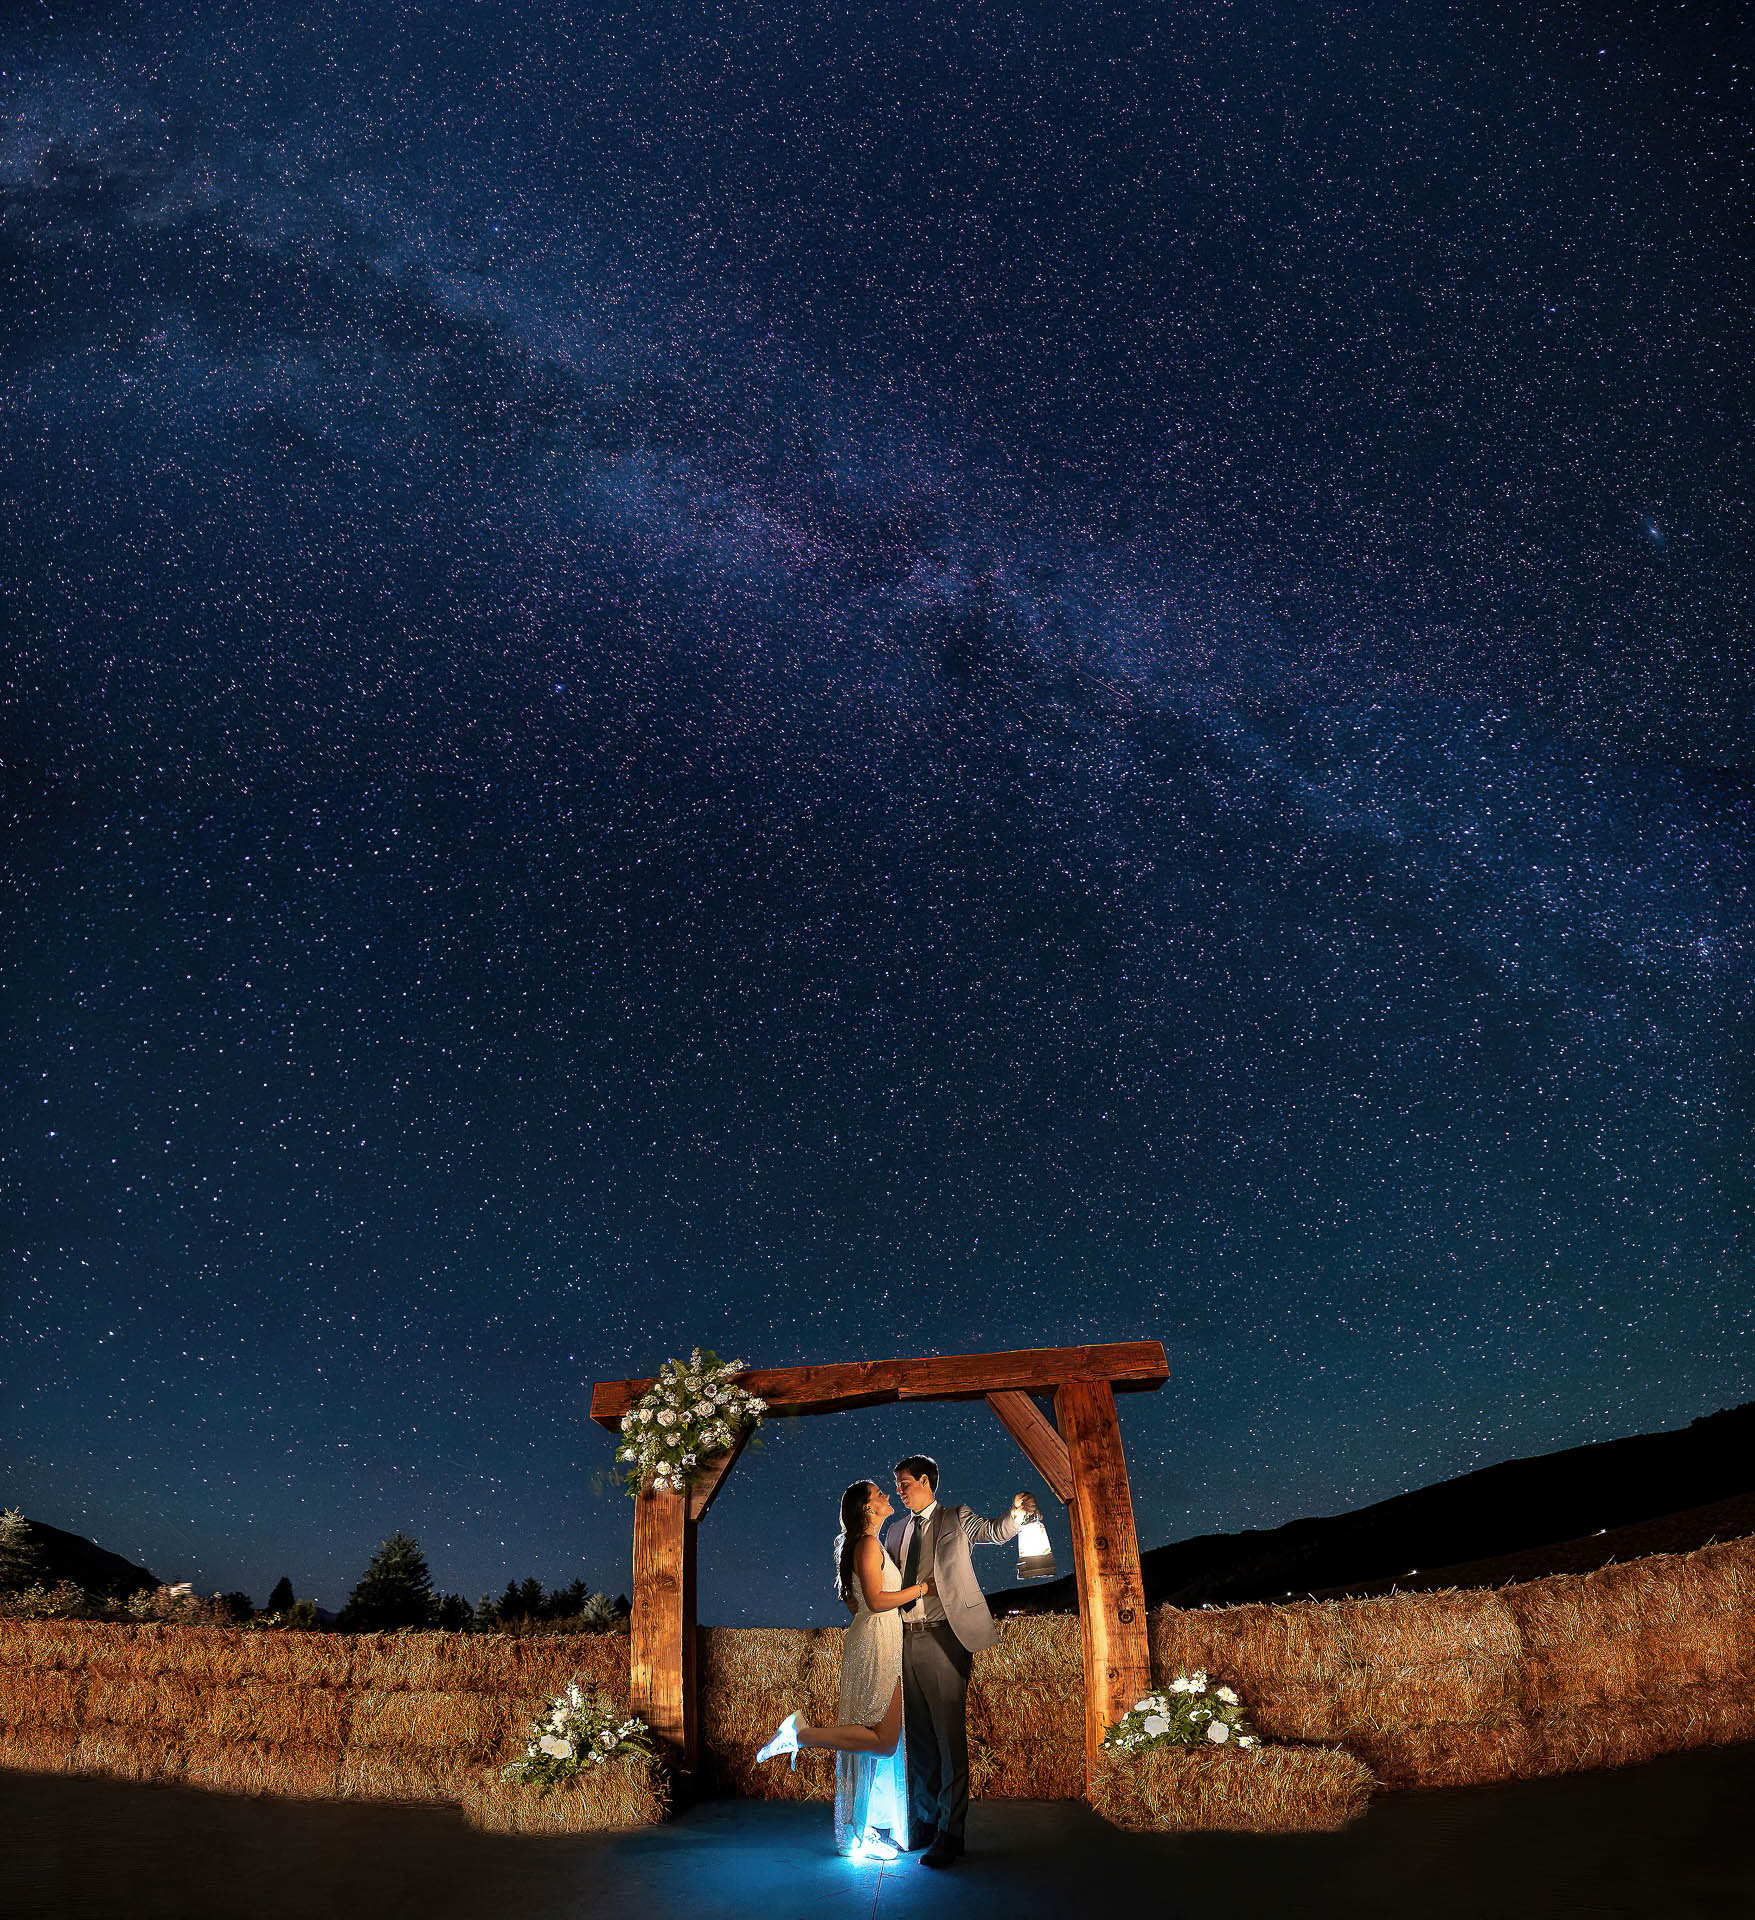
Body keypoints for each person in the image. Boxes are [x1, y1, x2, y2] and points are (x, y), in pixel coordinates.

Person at [755, 1479, 931, 1859]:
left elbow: (857, 1604)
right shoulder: (867, 1544)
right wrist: (920, 1590)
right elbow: (875, 1599)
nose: (887, 1497)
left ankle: (869, 1828)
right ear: (867, 1509)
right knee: (883, 1742)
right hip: (877, 1641)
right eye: (880, 1494)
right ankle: (800, 1734)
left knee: (883, 1740)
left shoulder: (869, 1545)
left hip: (877, 1638)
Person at [884, 1455, 1037, 1869]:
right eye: (896, 1484)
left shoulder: (957, 1516)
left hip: (945, 1635)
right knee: (918, 1737)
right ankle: (925, 1823)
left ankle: (951, 1834)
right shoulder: (895, 1530)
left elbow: (995, 1532)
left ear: (926, 1481)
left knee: (948, 1735)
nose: (899, 1490)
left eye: (904, 1483)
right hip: (904, 1640)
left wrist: (1018, 1513)